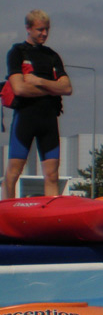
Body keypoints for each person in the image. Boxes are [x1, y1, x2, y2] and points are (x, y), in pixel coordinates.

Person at [2, 10, 73, 199]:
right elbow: (19, 89)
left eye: (47, 29)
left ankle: (51, 211)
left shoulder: (52, 56)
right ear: (28, 28)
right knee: (13, 172)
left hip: (48, 120)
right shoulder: (17, 52)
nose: (44, 33)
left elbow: (67, 88)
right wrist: (52, 89)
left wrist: (39, 81)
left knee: (52, 174)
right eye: (40, 29)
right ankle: (7, 209)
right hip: (26, 117)